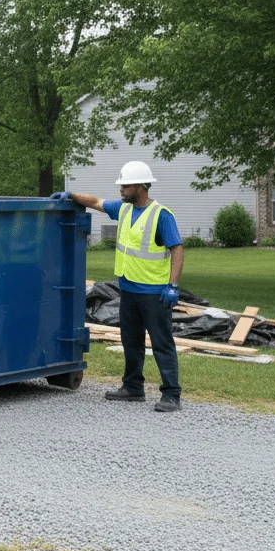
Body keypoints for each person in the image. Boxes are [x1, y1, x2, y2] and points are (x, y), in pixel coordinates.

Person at [51, 161, 185, 412]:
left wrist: (173, 285)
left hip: (154, 293)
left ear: (140, 187)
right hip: (129, 290)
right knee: (131, 341)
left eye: (125, 185)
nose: (121, 190)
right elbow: (96, 202)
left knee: (161, 343)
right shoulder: (123, 209)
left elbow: (177, 249)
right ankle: (133, 387)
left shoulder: (161, 215)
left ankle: (172, 394)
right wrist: (71, 195)